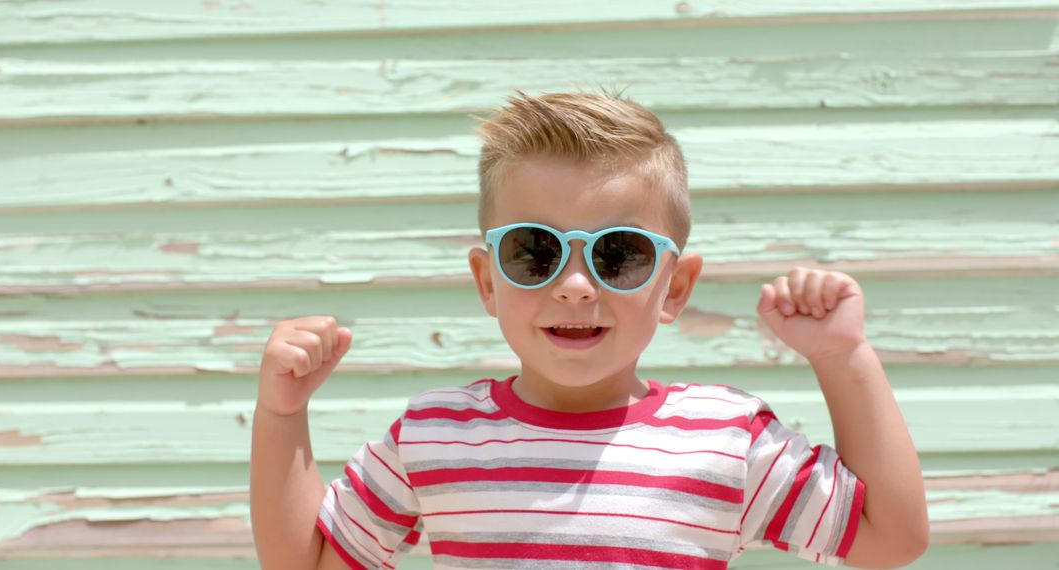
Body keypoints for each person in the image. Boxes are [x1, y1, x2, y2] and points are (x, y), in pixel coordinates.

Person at [250, 88, 930, 570]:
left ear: (676, 288)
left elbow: (890, 539)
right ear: (489, 281)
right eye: (534, 252)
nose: (575, 284)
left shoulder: (727, 439)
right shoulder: (435, 436)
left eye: (619, 255)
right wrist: (282, 413)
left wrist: (845, 358)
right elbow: (308, 564)